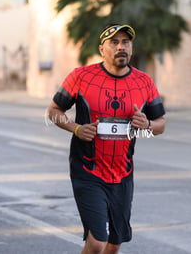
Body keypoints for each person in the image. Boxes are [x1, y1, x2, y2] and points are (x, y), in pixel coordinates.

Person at [47, 24, 166, 254]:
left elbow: (161, 124)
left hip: (123, 173)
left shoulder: (144, 82)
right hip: (87, 170)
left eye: (126, 42)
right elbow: (53, 111)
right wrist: (76, 129)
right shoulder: (81, 77)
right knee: (97, 241)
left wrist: (148, 125)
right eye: (114, 42)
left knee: (114, 243)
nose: (121, 47)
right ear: (102, 49)